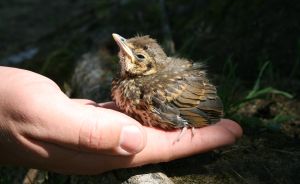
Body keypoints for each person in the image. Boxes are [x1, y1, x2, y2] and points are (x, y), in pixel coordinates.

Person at [0, 66, 242, 175]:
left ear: (148, 66)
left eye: (137, 56)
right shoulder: (123, 83)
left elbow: (207, 106)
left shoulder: (158, 88)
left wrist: (194, 121)